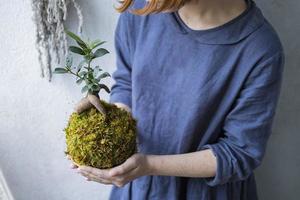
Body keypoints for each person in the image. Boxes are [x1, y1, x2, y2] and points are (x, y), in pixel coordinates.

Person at [67, 0, 285, 199]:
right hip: (139, 187)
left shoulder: (260, 49)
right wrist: (109, 120)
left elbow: (239, 152)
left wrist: (149, 165)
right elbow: (127, 83)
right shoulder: (142, 7)